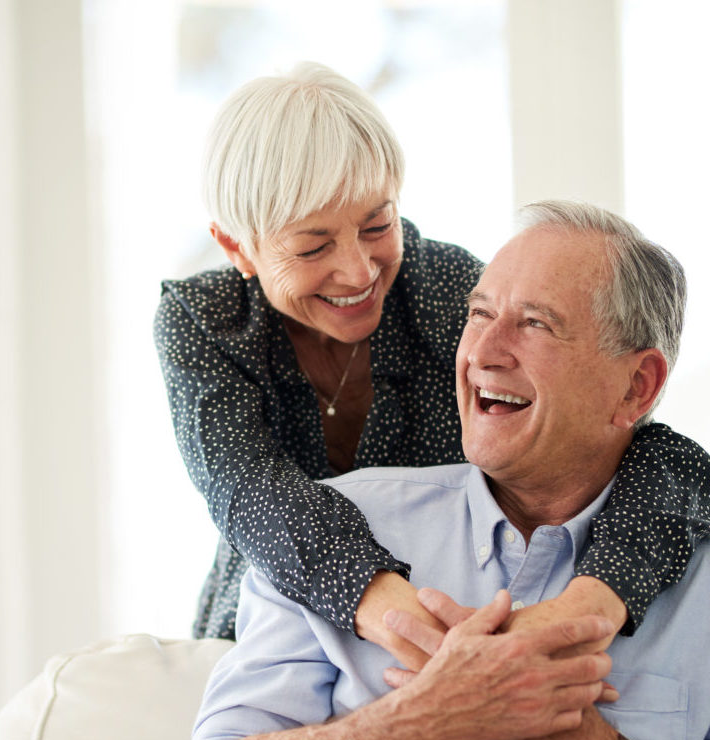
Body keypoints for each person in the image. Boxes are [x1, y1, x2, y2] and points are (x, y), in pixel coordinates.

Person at [180, 202, 710, 740]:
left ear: (637, 387)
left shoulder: (691, 560)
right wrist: (432, 714)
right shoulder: (328, 531)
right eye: (479, 314)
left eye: (535, 323)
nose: (483, 350)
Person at [154, 62, 710, 660]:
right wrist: (410, 624)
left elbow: (638, 447)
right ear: (237, 247)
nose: (359, 272)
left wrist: (591, 602)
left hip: (462, 607)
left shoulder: (454, 293)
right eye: (313, 247)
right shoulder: (204, 320)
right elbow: (249, 491)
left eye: (377, 224)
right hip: (270, 622)